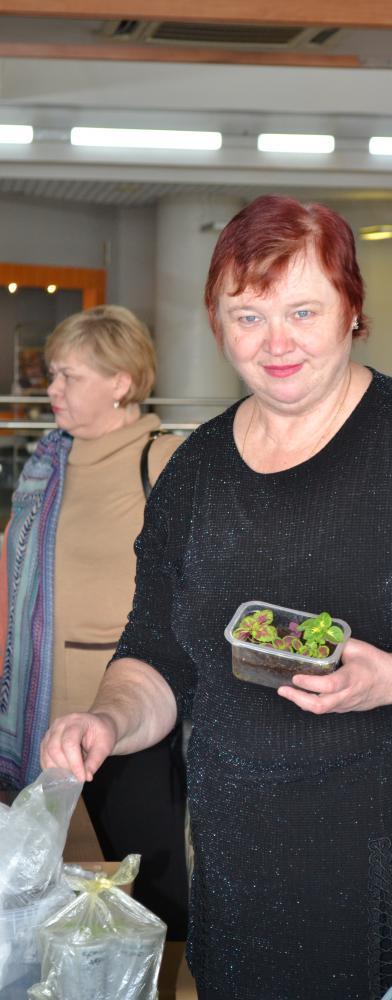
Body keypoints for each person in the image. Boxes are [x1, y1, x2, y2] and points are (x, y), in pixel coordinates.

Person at [40, 196, 392, 1000]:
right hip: (250, 855)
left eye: (302, 311)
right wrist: (108, 719)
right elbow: (158, 647)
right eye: (248, 317)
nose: (276, 342)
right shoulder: (196, 472)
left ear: (352, 310)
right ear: (218, 325)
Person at [0, 305, 188, 938]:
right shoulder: (47, 464)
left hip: (128, 710)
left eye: (69, 376)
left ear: (121, 383)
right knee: (52, 887)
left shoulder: (164, 461)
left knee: (144, 888)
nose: (52, 389)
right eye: (53, 374)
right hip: (40, 709)